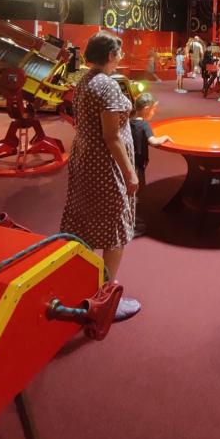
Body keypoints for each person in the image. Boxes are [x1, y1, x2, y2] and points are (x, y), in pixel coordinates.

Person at [60, 32, 140, 322]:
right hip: (105, 167)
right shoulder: (107, 84)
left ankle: (81, 284)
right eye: (119, 53)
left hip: (85, 160)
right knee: (113, 227)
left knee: (85, 221)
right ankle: (105, 298)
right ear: (110, 55)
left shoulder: (85, 80)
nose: (120, 57)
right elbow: (112, 137)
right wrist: (130, 173)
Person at [130, 92, 172, 236]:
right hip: (138, 165)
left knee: (129, 191)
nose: (154, 113)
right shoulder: (144, 125)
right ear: (146, 109)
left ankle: (129, 221)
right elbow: (153, 141)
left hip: (129, 162)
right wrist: (165, 137)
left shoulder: (129, 122)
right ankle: (134, 225)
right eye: (153, 110)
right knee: (138, 193)